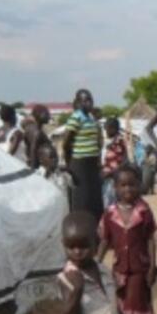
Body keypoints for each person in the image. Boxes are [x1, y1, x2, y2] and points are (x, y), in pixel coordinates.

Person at [97, 164, 157, 314]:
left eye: (132, 185)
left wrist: (152, 267)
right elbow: (105, 240)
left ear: (139, 185)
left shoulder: (144, 211)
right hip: (119, 268)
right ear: (115, 187)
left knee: (131, 306)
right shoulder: (109, 213)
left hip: (139, 267)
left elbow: (150, 239)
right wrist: (96, 263)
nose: (128, 189)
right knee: (124, 308)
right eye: (122, 185)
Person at [63, 88, 105, 219]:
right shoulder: (76, 117)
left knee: (95, 196)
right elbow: (66, 143)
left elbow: (97, 142)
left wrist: (98, 161)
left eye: (90, 100)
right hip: (79, 163)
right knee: (82, 197)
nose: (88, 103)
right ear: (78, 102)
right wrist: (69, 163)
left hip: (92, 162)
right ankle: (81, 225)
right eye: (85, 100)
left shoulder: (92, 118)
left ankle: (96, 226)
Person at [101, 117, 130, 209]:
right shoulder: (105, 142)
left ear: (114, 129)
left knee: (113, 202)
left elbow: (125, 160)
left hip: (115, 176)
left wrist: (113, 172)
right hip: (105, 176)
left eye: (108, 129)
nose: (106, 131)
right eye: (105, 128)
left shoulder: (120, 141)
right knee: (107, 202)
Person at [37, 143, 74, 210]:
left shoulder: (62, 173)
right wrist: (47, 174)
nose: (55, 159)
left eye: (56, 156)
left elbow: (75, 185)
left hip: (63, 212)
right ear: (41, 160)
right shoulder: (37, 176)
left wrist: (70, 171)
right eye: (51, 157)